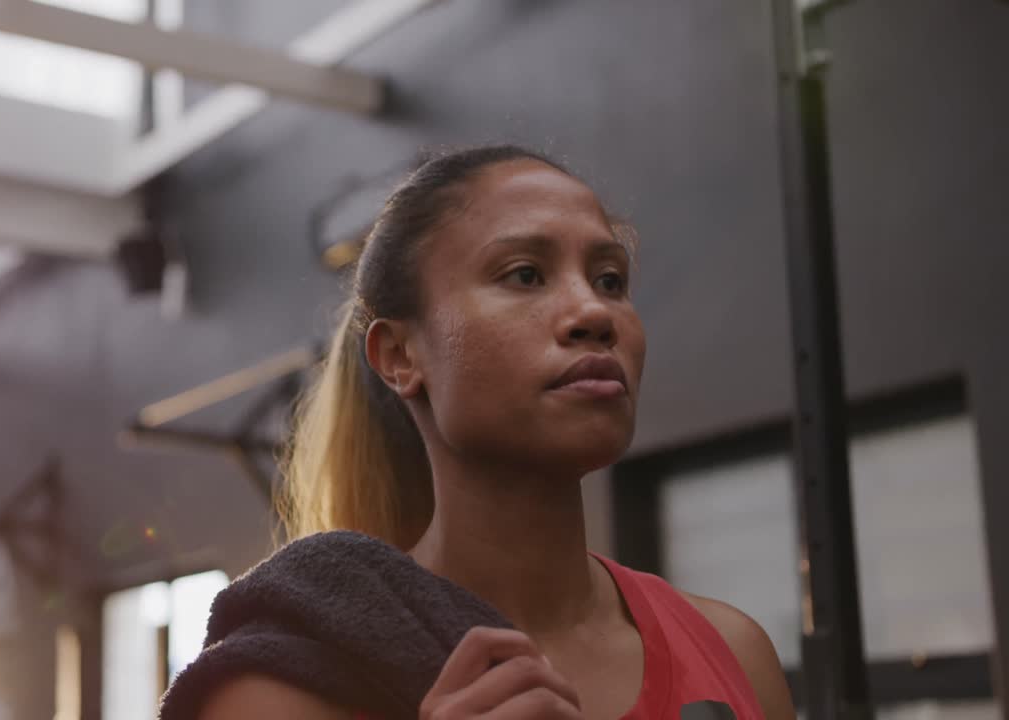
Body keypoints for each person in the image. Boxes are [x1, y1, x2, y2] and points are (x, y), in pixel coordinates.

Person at [178, 145, 796, 719]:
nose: (594, 313)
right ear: (399, 355)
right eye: (525, 274)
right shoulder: (280, 690)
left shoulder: (733, 652)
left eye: (610, 280)